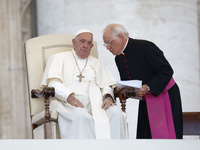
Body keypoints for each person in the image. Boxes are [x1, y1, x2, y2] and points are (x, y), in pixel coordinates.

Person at [40, 29, 127, 139]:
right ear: (74, 42)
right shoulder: (58, 58)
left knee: (116, 113)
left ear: (91, 46)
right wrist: (70, 98)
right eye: (82, 41)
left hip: (96, 102)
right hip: (66, 102)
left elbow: (107, 85)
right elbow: (53, 82)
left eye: (89, 43)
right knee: (81, 116)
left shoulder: (98, 63)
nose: (85, 45)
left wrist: (108, 97)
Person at [103, 23, 183, 139]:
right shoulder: (119, 58)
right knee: (145, 136)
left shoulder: (145, 47)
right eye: (105, 44)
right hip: (146, 100)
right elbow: (129, 85)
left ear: (120, 36)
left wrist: (148, 87)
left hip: (165, 96)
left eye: (109, 42)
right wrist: (113, 94)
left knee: (166, 138)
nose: (107, 47)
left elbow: (166, 71)